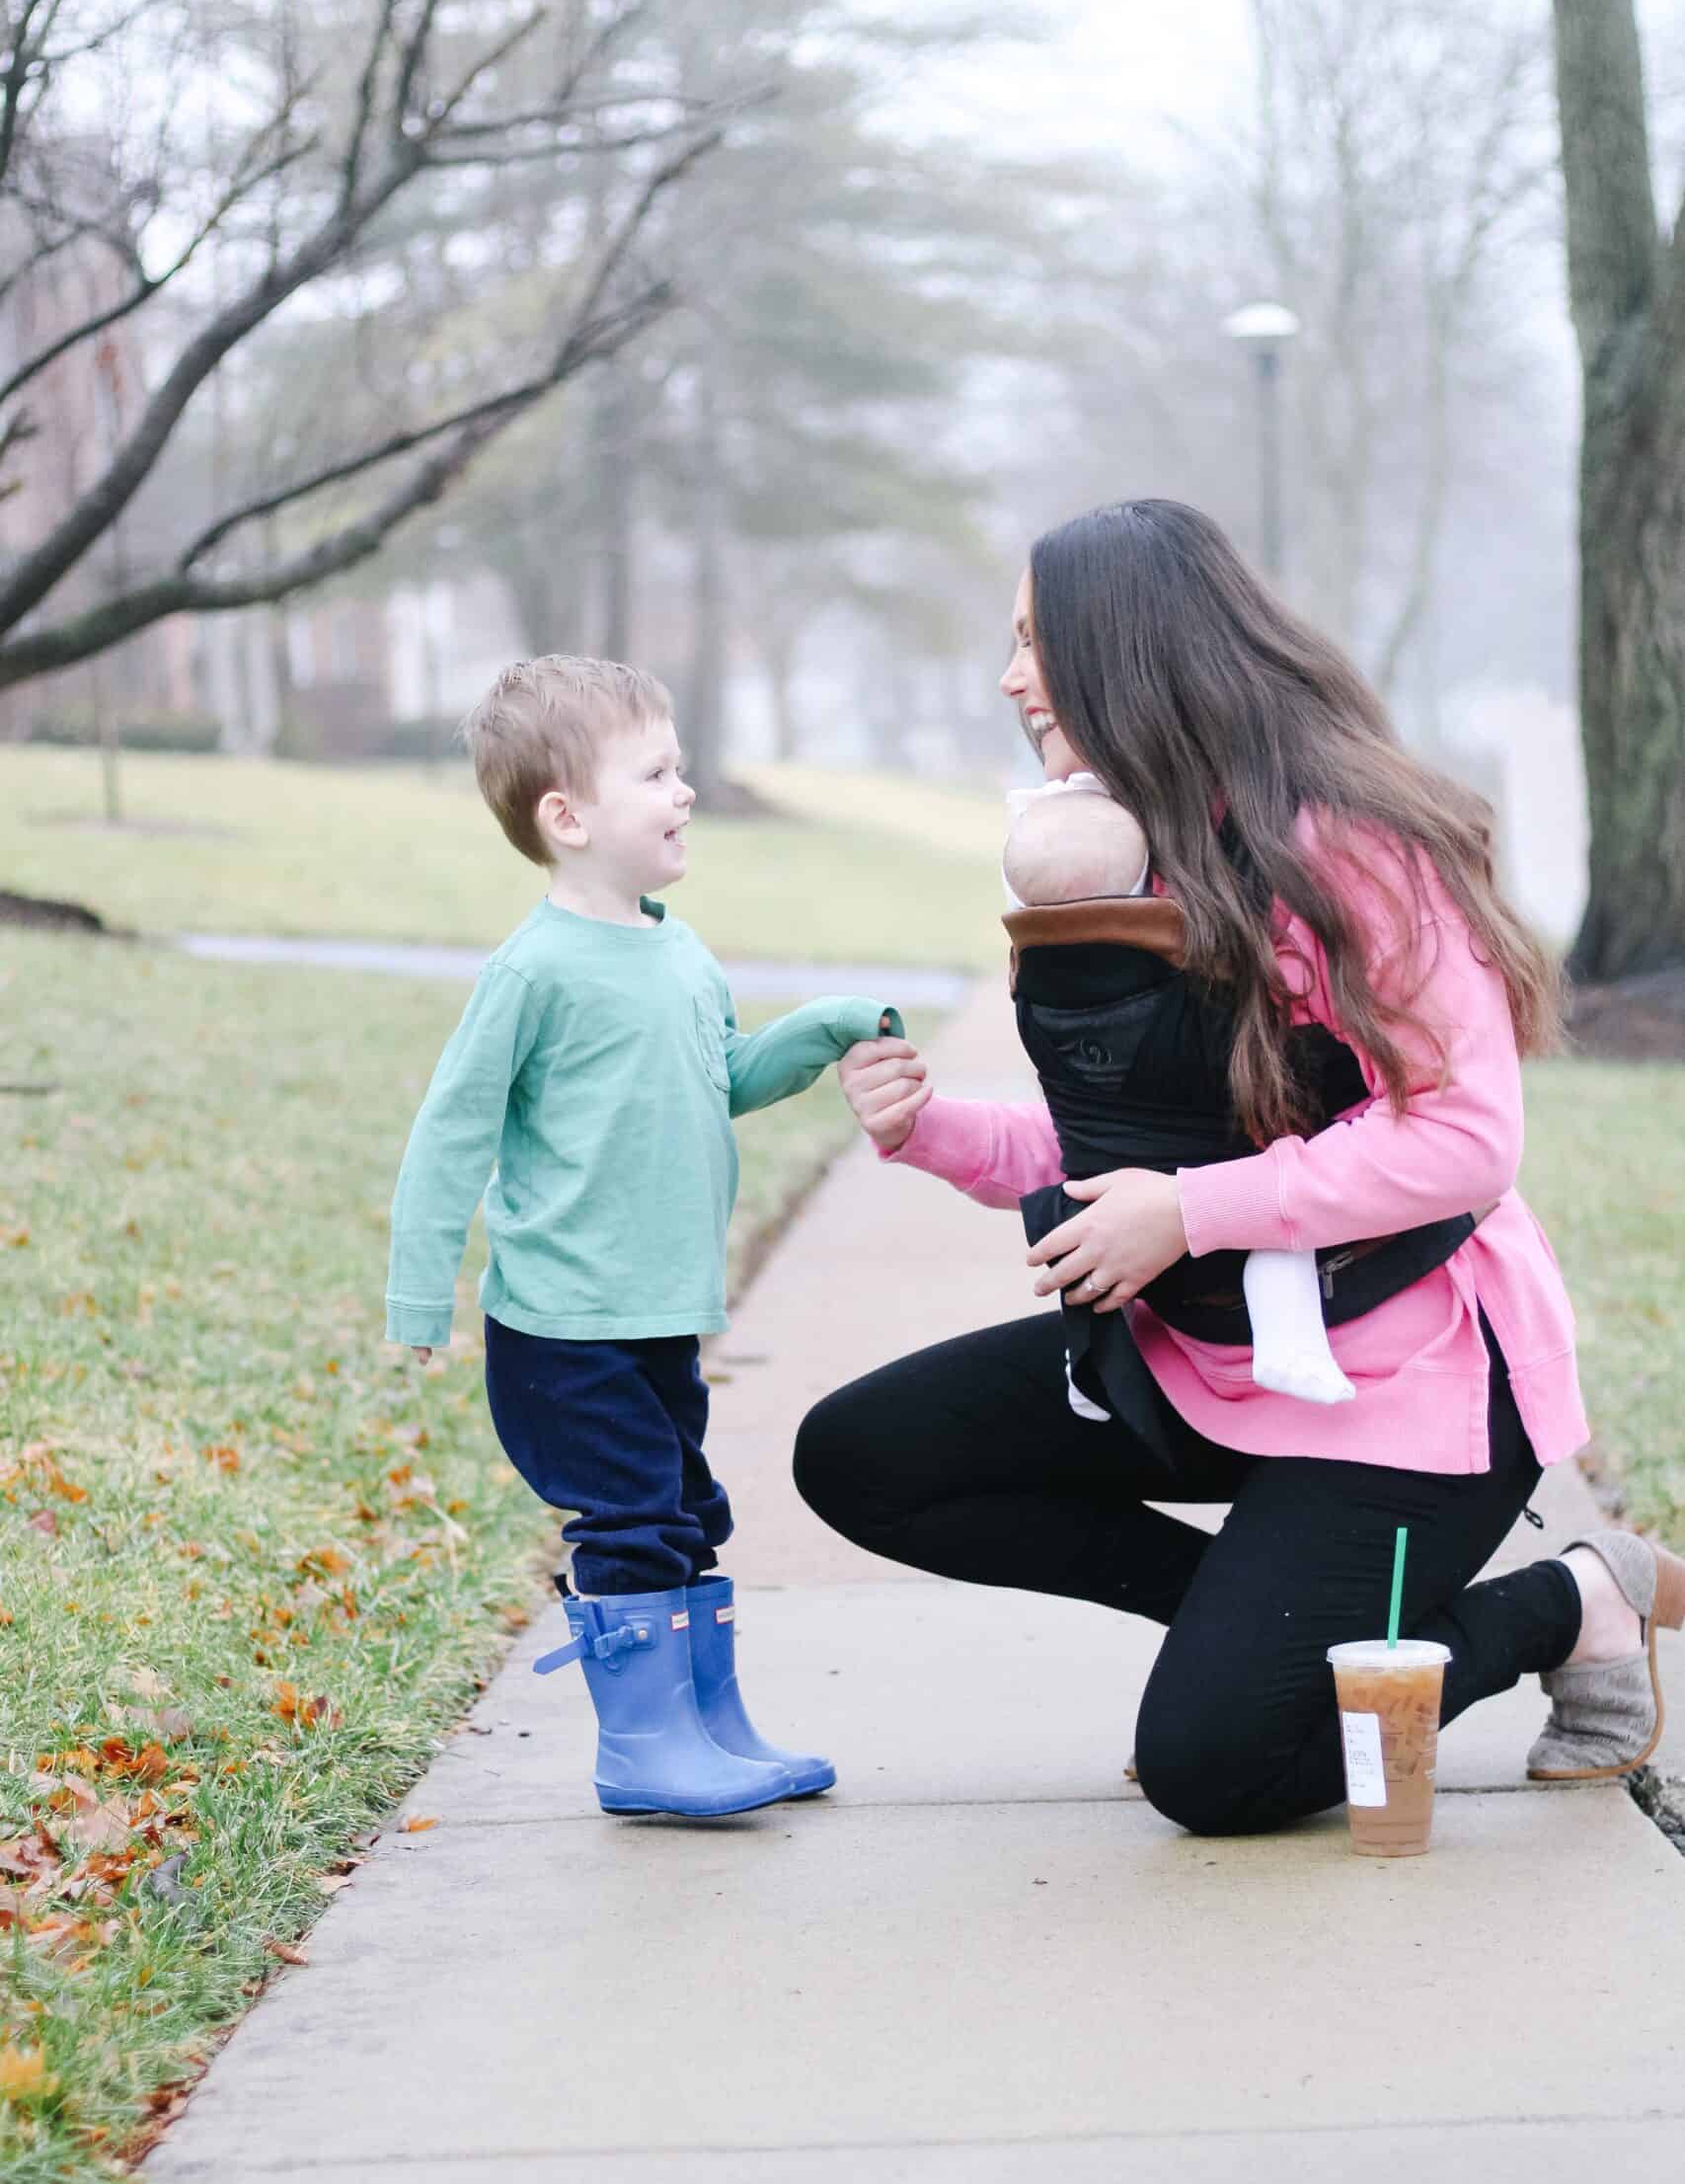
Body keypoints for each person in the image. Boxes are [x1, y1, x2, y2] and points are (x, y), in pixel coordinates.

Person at [796, 501, 1682, 1835]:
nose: (1008, 678)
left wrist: (1189, 1212)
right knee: (862, 1455)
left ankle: (1572, 1599)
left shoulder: (1349, 848)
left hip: (1410, 1383)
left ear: (1125, 650)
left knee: (1224, 1773)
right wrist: (930, 1131)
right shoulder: (1129, 850)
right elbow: (1131, 1153)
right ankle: (1261, 1641)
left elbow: (1459, 1139)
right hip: (1211, 1361)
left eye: (1036, 642)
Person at [386, 655, 897, 1819]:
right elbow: (450, 1133)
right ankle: (644, 1749)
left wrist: (814, 1034)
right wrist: (420, 1297)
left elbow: (716, 1079)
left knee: (687, 1511)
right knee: (629, 1517)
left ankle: (710, 1726)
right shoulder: (532, 971)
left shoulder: (679, 949)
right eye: (656, 772)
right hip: (564, 1327)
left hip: (661, 1310)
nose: (686, 791)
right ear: (565, 817)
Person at [1002, 772, 1358, 1409]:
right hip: (1210, 1156)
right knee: (1278, 1238)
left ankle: (1083, 1368)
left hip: (1097, 1169)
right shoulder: (1164, 936)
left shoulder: (1027, 968)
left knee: (1087, 1254)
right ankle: (1292, 1344)